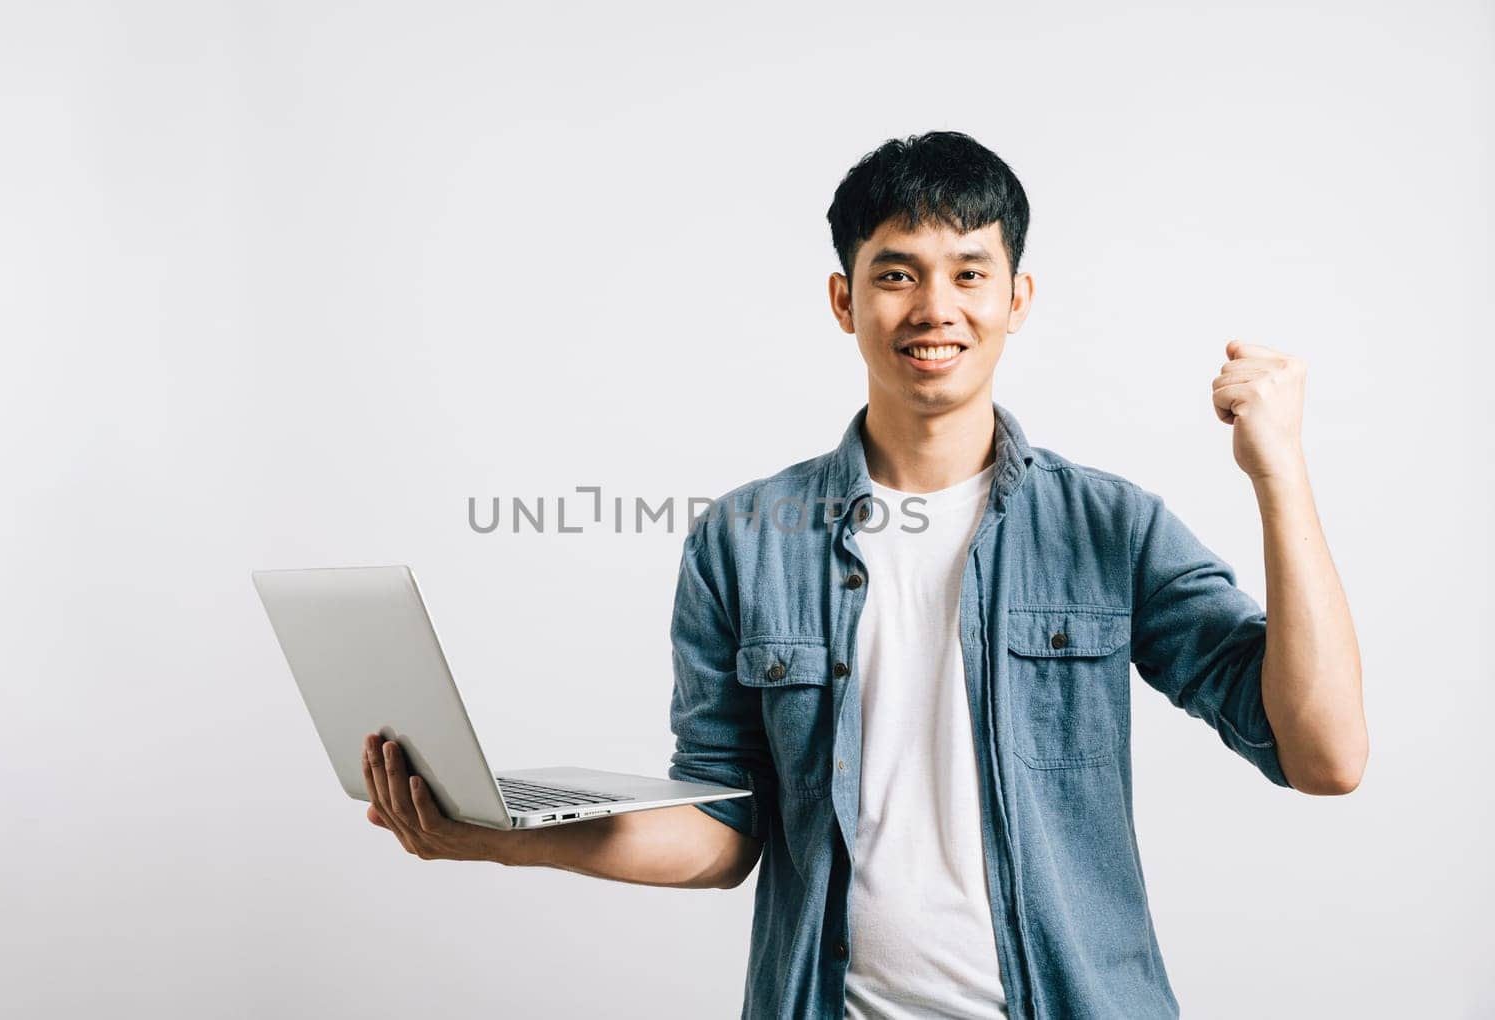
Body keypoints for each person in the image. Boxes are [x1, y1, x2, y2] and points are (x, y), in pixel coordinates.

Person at [360, 130, 1367, 1019]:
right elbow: (723, 831)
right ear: (844, 299)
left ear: (1017, 299)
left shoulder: (1108, 527)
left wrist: (1279, 473)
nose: (936, 308)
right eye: (896, 274)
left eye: (969, 273)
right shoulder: (744, 540)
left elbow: (1323, 757)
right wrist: (508, 838)